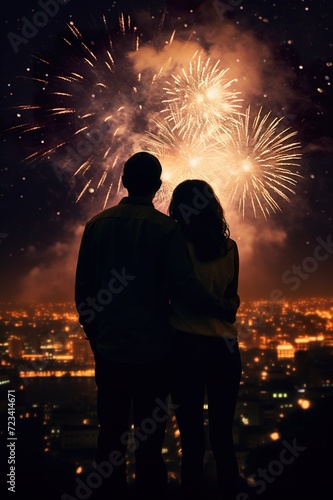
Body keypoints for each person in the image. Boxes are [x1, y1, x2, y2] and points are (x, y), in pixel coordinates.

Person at [74, 152, 237, 500]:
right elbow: (185, 285)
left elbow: (83, 294)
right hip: (155, 353)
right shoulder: (166, 231)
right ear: (158, 186)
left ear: (123, 181)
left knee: (110, 436)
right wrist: (222, 307)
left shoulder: (96, 226)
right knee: (151, 443)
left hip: (111, 350)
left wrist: (96, 339)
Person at [168, 179, 242, 500]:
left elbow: (169, 293)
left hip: (186, 346)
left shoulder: (175, 246)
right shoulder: (230, 248)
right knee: (223, 436)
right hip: (225, 348)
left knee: (191, 438)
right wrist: (226, 308)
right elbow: (232, 300)